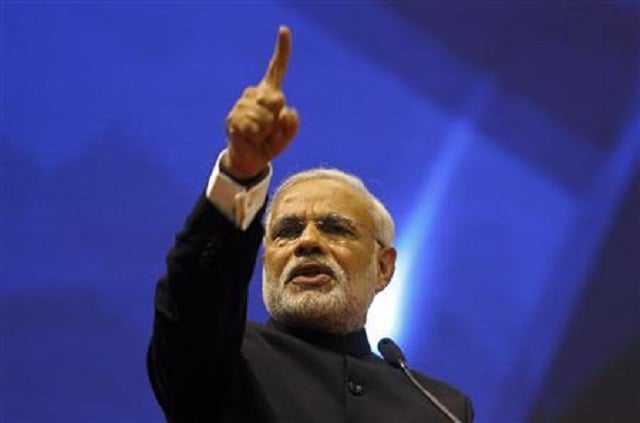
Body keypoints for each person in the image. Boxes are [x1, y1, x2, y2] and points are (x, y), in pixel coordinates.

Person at [147, 26, 474, 423]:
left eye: (335, 228)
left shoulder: (440, 408)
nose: (307, 242)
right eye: (286, 232)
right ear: (265, 261)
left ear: (384, 267)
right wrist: (241, 173)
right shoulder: (223, 358)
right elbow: (194, 296)